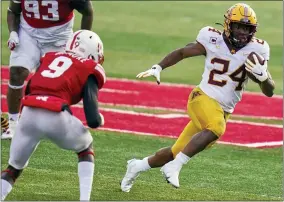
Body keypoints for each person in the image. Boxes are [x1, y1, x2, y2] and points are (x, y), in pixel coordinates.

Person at [120, 3, 275, 192]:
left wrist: (264, 78)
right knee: (217, 127)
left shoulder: (258, 50)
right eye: (239, 26)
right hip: (201, 98)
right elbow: (184, 52)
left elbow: (269, 91)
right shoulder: (212, 39)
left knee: (175, 152)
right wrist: (158, 67)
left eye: (247, 28)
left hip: (222, 110)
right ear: (228, 25)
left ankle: (137, 165)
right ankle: (175, 167)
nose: (243, 32)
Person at [1, 30, 106, 201]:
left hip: (28, 112)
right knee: (85, 146)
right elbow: (92, 120)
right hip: (55, 113)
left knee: (13, 169)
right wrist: (99, 119)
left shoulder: (50, 57)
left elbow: (29, 88)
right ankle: (85, 199)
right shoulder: (89, 67)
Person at [3, 0, 94, 139]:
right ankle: (13, 125)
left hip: (59, 37)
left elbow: (87, 11)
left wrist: (83, 38)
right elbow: (13, 10)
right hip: (28, 33)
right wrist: (13, 33)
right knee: (17, 72)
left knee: (51, 83)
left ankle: (48, 123)